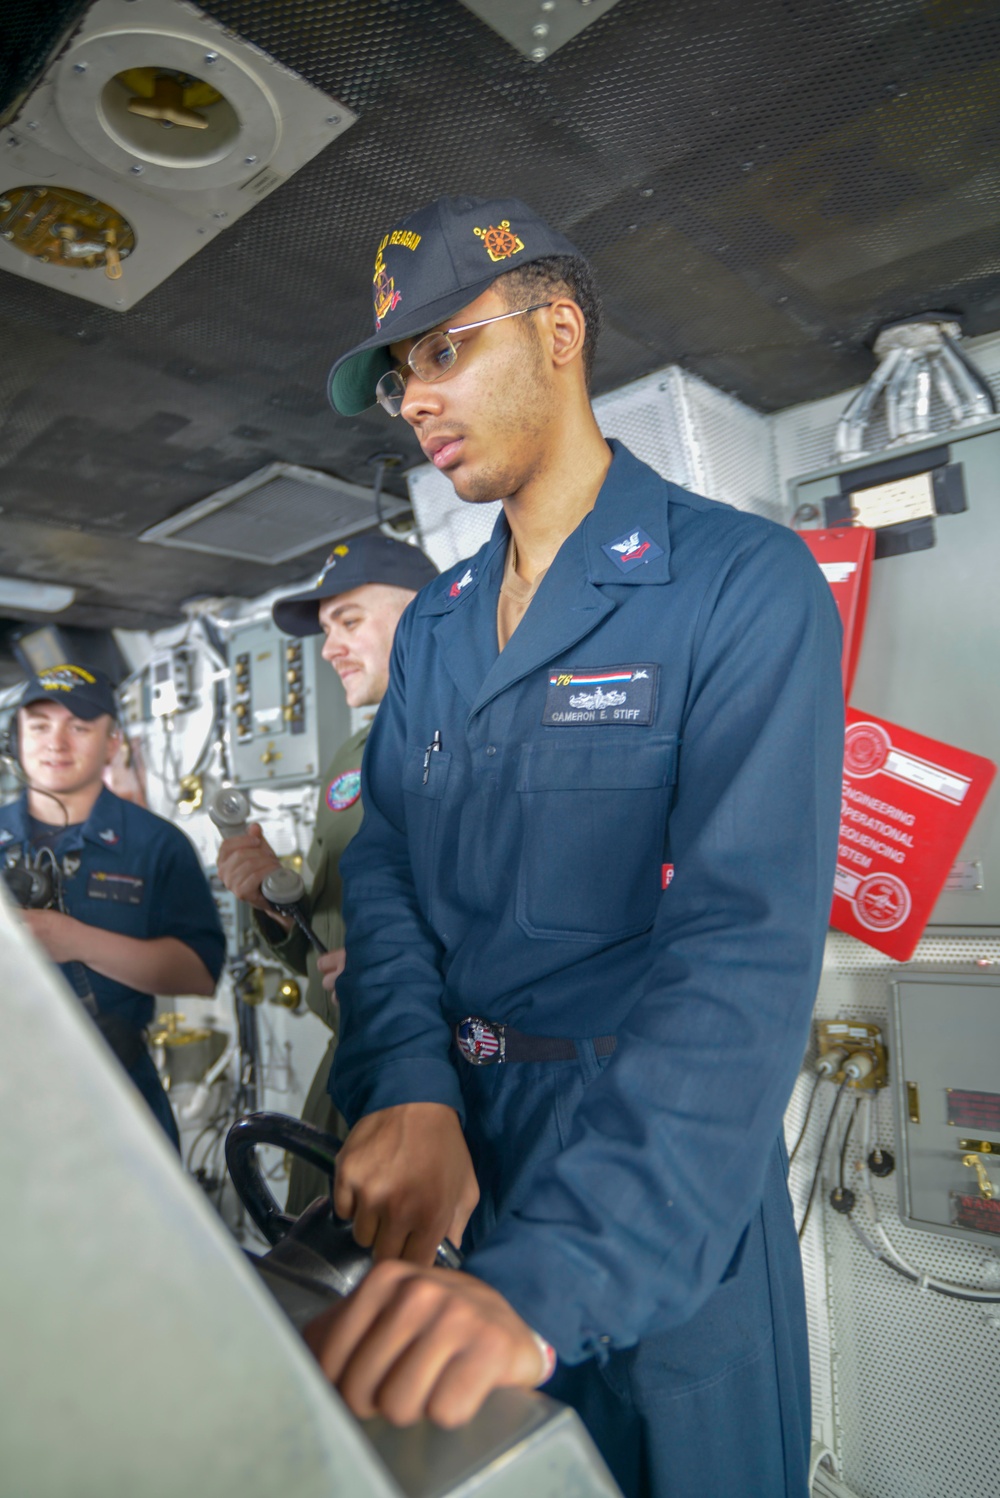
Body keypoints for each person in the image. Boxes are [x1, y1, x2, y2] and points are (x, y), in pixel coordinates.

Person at [303, 195, 844, 1498]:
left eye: (443, 349)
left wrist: (558, 1277)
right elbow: (386, 870)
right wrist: (417, 1081)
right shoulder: (433, 628)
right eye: (397, 375)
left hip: (652, 1173)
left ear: (559, 330)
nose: (416, 399)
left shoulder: (740, 583)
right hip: (468, 1153)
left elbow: (742, 954)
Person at [215, 534, 437, 1213]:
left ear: (428, 615)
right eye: (324, 630)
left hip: (438, 1086)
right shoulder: (352, 755)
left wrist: (400, 972)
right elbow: (330, 948)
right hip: (349, 1072)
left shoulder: (482, 741)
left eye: (349, 622)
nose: (329, 647)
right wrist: (274, 901)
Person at [0, 665, 225, 1148]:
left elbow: (198, 974)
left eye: (78, 728)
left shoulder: (157, 844)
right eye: (38, 727)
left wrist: (71, 940)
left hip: (116, 1088)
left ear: (112, 744)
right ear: (14, 738)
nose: (55, 743)